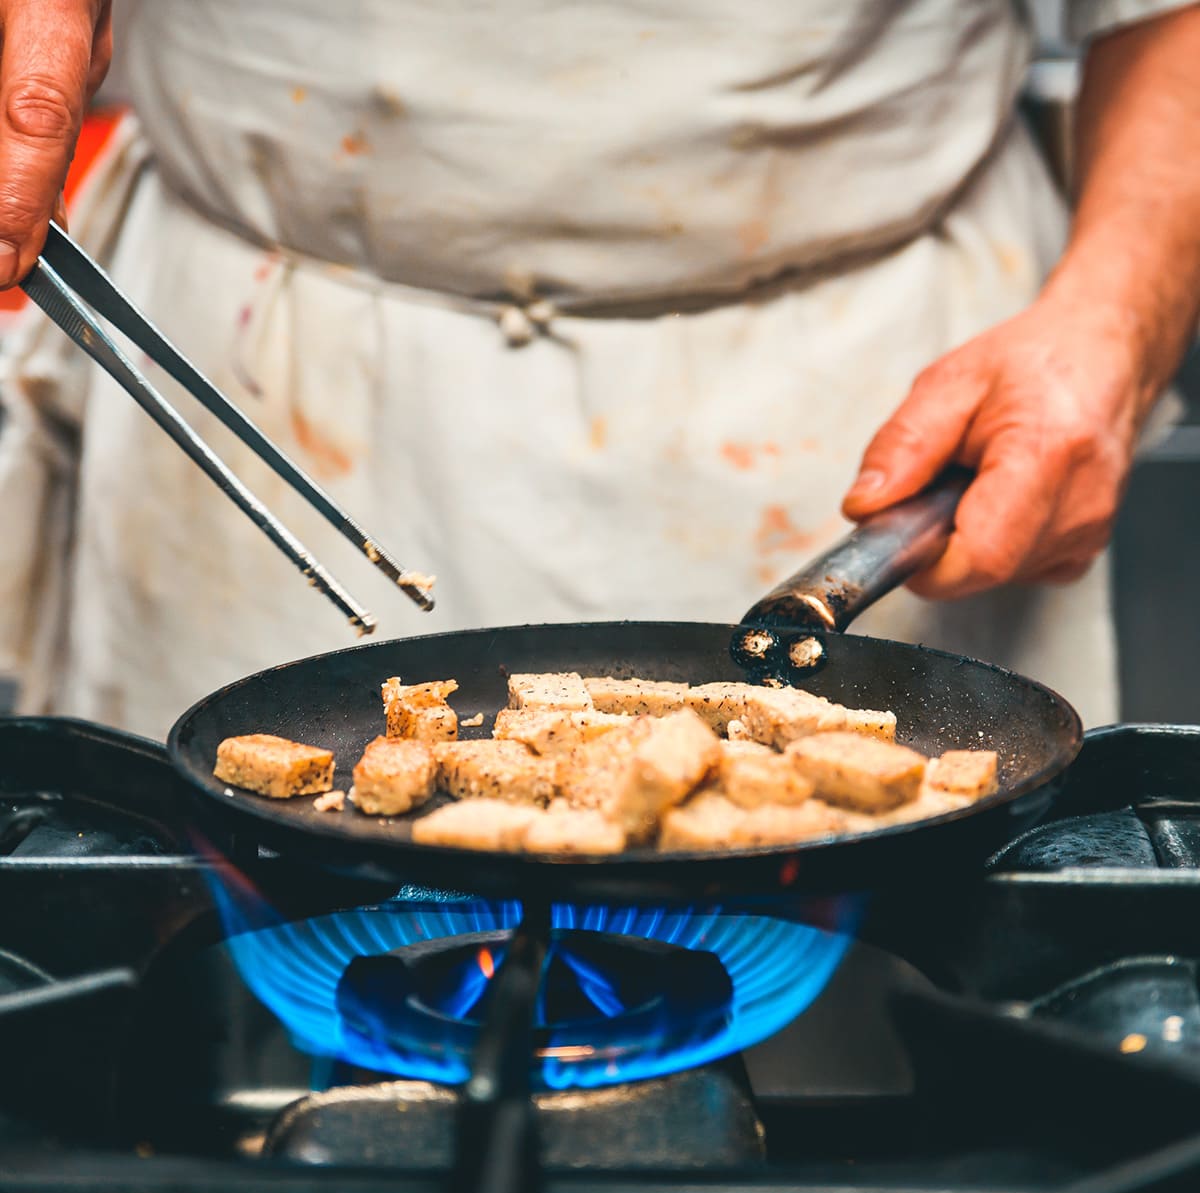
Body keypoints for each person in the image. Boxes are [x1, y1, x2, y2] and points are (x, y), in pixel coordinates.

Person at [0, 0, 1197, 740]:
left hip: (859, 375)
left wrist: (1111, 324)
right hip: (252, 377)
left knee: (877, 1081)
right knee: (220, 1057)